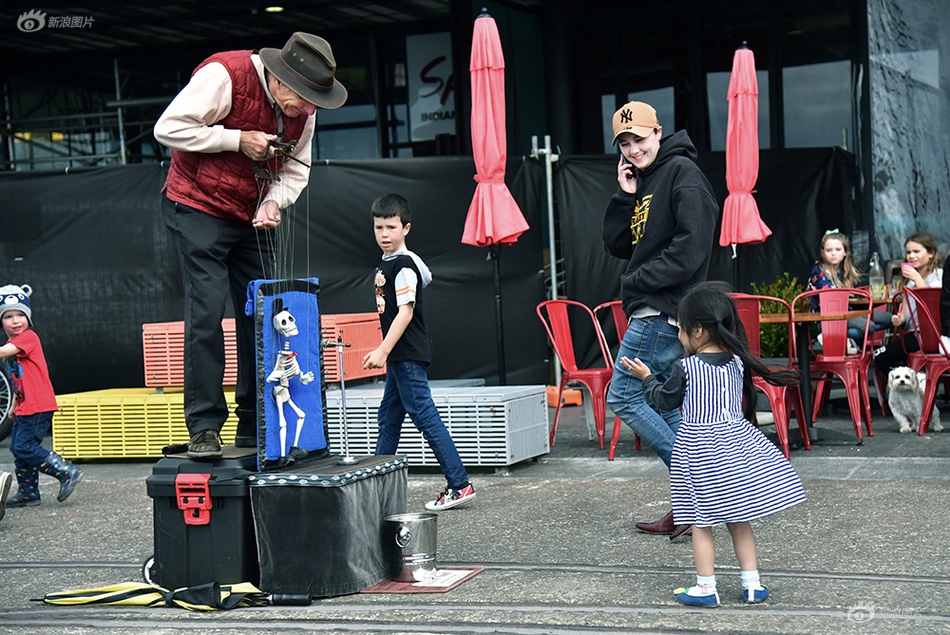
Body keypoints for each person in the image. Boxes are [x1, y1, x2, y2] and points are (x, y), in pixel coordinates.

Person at [154, 32, 347, 458]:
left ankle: (255, 421)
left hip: (251, 213)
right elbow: (167, 128)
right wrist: (236, 139)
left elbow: (297, 169)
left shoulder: (305, 111)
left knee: (263, 316)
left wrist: (274, 202)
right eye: (306, 98)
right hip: (197, 205)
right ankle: (204, 426)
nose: (310, 109)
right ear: (280, 81)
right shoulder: (225, 76)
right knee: (206, 311)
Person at [621, 283, 806, 607]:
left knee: (701, 522)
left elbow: (664, 400)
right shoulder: (737, 363)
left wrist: (647, 377)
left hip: (699, 453)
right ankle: (752, 585)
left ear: (697, 330)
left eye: (680, 330)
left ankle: (706, 588)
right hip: (738, 448)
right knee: (739, 519)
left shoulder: (686, 368)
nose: (679, 337)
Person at [602, 101, 719, 539]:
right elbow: (617, 243)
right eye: (625, 143)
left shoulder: (684, 175)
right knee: (658, 402)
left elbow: (692, 248)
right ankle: (691, 505)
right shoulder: (645, 182)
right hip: (657, 306)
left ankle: (700, 492)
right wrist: (625, 194)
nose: (634, 148)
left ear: (659, 132)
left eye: (640, 138)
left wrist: (637, 280)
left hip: (660, 309)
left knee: (625, 398)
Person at [362, 194, 475, 511]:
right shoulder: (392, 263)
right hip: (401, 355)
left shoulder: (405, 266)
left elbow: (405, 313)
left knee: (425, 417)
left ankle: (459, 483)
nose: (384, 234)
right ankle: (375, 487)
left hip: (406, 353)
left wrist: (383, 350)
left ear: (405, 228)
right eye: (379, 227)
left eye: (391, 227)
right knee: (389, 419)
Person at [1, 284, 84, 508]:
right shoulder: (12, 345)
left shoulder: (28, 338)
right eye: (9, 316)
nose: (16, 320)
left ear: (28, 317)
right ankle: (29, 493)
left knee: (25, 446)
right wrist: (13, 407)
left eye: (21, 314)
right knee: (18, 448)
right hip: (25, 406)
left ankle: (65, 471)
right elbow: (19, 380)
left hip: (38, 405)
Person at [873, 232, 944, 373]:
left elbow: (929, 302)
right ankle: (909, 383)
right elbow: (904, 312)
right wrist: (899, 318)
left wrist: (917, 278)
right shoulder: (910, 281)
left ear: (931, 253)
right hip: (913, 334)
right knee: (878, 356)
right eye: (908, 252)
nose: (911, 256)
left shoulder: (938, 276)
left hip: (931, 335)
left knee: (882, 357)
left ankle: (910, 382)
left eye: (916, 251)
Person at [806, 229, 890, 338]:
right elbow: (832, 299)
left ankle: (849, 342)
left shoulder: (843, 270)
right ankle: (836, 339)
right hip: (827, 319)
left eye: (838, 249)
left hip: (848, 313)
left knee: (890, 318)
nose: (833, 253)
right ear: (823, 253)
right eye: (829, 250)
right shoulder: (819, 271)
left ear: (845, 252)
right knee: (868, 326)